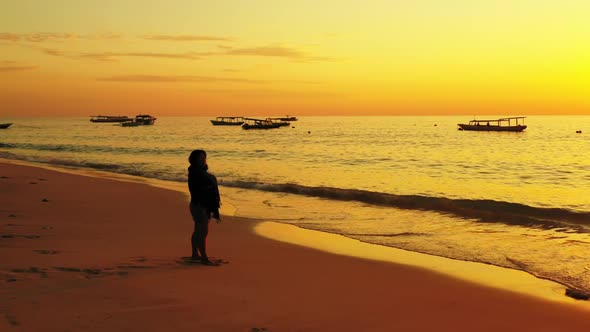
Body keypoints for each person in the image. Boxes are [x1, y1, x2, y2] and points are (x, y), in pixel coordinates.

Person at [187, 149, 221, 265]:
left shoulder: (199, 172)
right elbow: (199, 189)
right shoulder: (196, 173)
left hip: (201, 205)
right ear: (194, 160)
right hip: (199, 205)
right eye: (200, 158)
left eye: (204, 157)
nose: (203, 159)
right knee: (202, 232)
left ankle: (195, 254)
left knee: (198, 231)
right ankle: (204, 257)